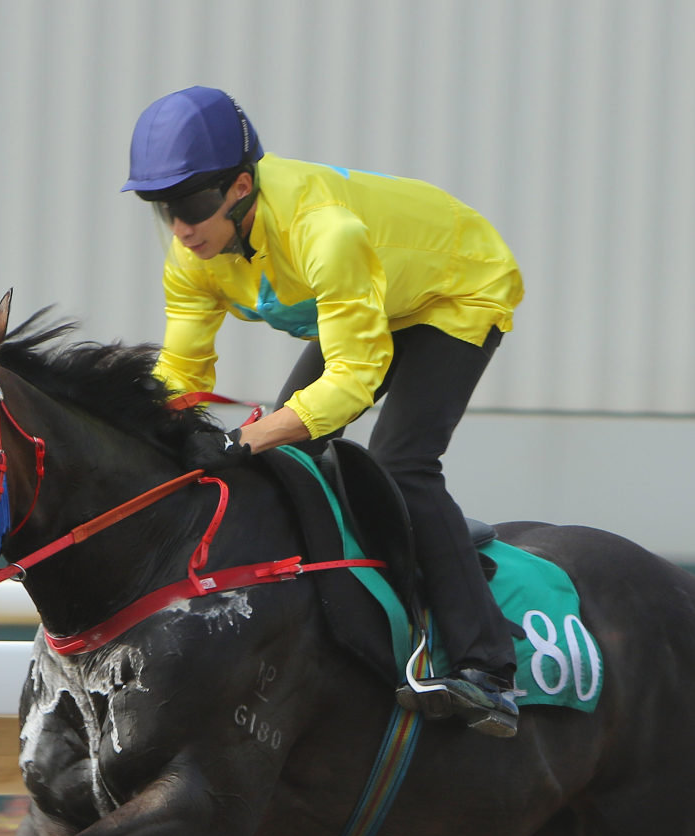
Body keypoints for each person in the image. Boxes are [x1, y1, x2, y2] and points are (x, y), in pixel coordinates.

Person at [121, 86, 527, 738]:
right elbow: (182, 377)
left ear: (241, 187)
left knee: (400, 463)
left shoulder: (323, 231)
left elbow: (352, 379)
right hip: (378, 295)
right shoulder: (190, 258)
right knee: (287, 456)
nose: (181, 228)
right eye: (164, 209)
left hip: (456, 289)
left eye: (192, 205)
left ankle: (487, 670)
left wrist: (243, 441)